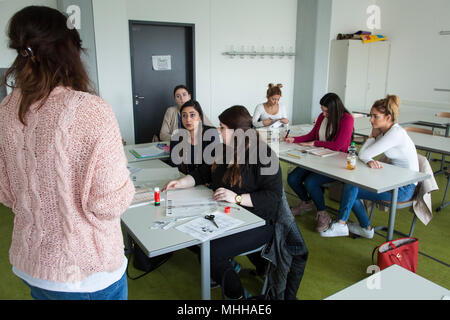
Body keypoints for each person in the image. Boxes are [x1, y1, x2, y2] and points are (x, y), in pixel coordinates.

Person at [0, 6, 135, 300]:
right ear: (69, 50)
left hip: (34, 264)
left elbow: (6, 193)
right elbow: (109, 203)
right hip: (86, 273)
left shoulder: (6, 109)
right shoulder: (91, 110)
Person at [163, 105, 282, 299]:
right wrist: (180, 182)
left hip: (259, 222)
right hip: (228, 214)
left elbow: (273, 198)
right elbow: (202, 173)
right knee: (189, 235)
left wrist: (236, 198)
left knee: (211, 251)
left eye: (222, 128)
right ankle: (230, 268)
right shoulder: (221, 150)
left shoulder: (265, 156)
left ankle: (237, 296)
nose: (219, 131)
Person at [320, 95, 419, 238]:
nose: (371, 120)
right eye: (370, 116)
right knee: (351, 187)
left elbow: (364, 154)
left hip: (403, 188)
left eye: (375, 116)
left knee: (351, 188)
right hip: (393, 180)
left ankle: (343, 224)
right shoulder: (384, 131)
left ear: (388, 117)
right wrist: (371, 144)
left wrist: (371, 140)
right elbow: (364, 154)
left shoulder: (395, 134)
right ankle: (365, 228)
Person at [284, 93, 354, 232]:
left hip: (336, 162)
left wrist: (314, 143)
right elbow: (311, 135)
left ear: (335, 109)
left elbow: (338, 145)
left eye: (326, 111)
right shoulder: (323, 117)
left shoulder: (347, 119)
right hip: (317, 156)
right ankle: (306, 202)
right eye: (322, 110)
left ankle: (323, 213)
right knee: (293, 178)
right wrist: (295, 139)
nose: (324, 113)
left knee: (311, 182)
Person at [169, 99, 220, 175]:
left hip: (205, 182)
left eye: (192, 115)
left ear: (200, 117)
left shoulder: (211, 133)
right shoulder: (177, 137)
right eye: (184, 115)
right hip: (183, 181)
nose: (188, 119)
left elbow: (211, 165)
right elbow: (174, 166)